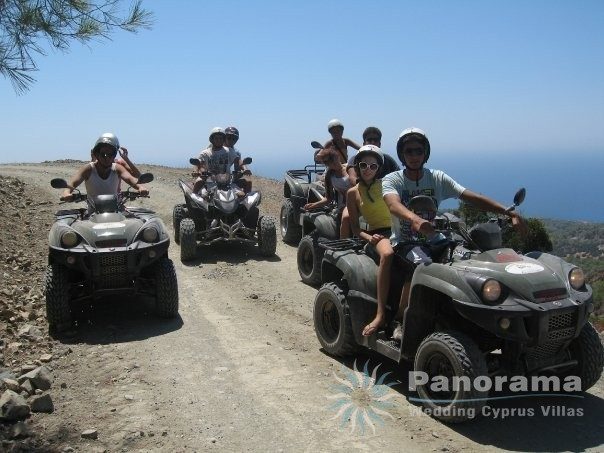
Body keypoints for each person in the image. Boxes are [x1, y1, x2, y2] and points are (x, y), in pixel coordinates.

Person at [382, 127, 526, 336]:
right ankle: (401, 320)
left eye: (418, 151)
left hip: (436, 240)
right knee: (420, 267)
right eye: (409, 151)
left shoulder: (437, 177)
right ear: (401, 155)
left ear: (426, 153)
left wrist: (507, 211)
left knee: (468, 262)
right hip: (406, 242)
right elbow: (393, 204)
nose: (414, 156)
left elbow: (469, 196)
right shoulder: (393, 179)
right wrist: (414, 218)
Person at [346, 145, 395, 336]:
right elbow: (356, 229)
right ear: (357, 166)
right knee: (388, 254)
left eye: (373, 166)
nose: (368, 169)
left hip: (399, 231)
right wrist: (370, 238)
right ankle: (380, 315)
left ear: (379, 169)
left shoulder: (387, 184)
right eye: (364, 165)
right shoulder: (353, 193)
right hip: (379, 234)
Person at [61, 133, 148, 203]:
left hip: (116, 209)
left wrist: (140, 187)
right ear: (97, 154)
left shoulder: (117, 168)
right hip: (93, 213)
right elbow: (72, 184)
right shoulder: (88, 169)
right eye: (103, 154)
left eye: (110, 155)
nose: (107, 158)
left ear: (114, 155)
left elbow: (131, 179)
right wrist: (66, 193)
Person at [304, 147, 353, 237]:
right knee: (343, 222)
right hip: (343, 206)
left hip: (357, 202)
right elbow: (328, 198)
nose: (331, 163)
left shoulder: (349, 168)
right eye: (326, 162)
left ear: (337, 156)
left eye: (331, 158)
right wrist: (313, 205)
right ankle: (343, 244)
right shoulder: (330, 175)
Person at [192, 127, 242, 194]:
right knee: (200, 184)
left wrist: (244, 168)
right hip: (209, 181)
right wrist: (196, 171)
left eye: (221, 138)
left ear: (223, 139)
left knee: (241, 195)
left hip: (226, 182)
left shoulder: (229, 151)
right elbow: (199, 163)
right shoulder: (205, 153)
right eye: (216, 138)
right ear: (212, 139)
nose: (219, 140)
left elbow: (237, 160)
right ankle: (193, 196)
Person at [224, 126, 252, 193]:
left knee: (248, 182)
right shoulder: (215, 148)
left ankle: (244, 202)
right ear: (224, 137)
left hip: (226, 178)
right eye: (229, 138)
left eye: (234, 138)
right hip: (212, 176)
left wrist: (244, 170)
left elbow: (238, 166)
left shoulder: (236, 152)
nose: (231, 140)